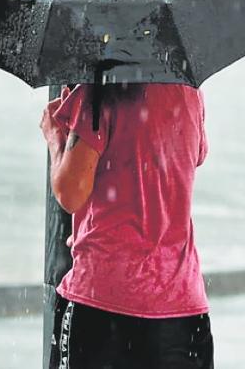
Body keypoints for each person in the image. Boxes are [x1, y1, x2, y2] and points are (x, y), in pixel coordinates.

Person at [40, 82, 213, 369]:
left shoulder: (99, 92)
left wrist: (56, 135)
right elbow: (196, 154)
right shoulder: (189, 93)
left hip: (103, 300)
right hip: (181, 310)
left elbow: (71, 192)